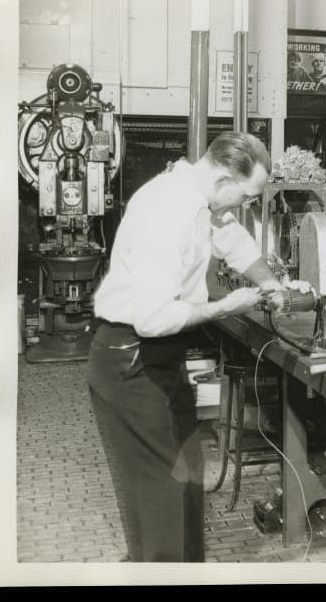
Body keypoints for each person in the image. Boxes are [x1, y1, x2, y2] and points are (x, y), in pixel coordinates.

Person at [87, 132, 284, 562]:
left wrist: (269, 282)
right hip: (130, 359)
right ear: (222, 181)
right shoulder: (166, 211)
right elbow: (153, 319)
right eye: (248, 196)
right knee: (160, 495)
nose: (246, 206)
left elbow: (235, 242)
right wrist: (224, 307)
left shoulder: (201, 198)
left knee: (187, 475)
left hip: (160, 358)